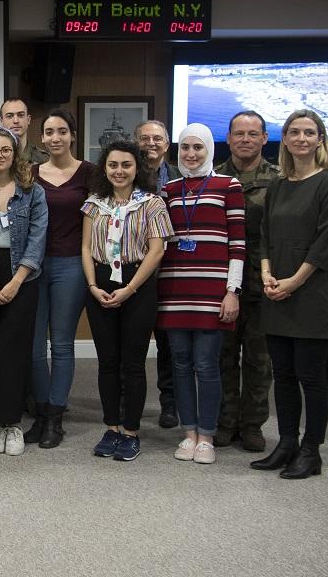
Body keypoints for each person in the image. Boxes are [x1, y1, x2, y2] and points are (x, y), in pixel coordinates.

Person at [253, 109, 328, 479]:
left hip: (310, 293)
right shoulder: (278, 184)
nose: (301, 138)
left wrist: (293, 281)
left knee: (311, 376)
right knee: (283, 375)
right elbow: (265, 235)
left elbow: (325, 242)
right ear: (286, 139)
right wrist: (266, 274)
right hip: (275, 289)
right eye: (295, 132)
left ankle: (311, 451)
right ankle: (287, 443)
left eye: (309, 132)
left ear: (320, 139)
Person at [157, 122, 244, 465]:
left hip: (212, 292)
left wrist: (232, 290)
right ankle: (188, 432)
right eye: (185, 148)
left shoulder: (228, 186)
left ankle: (206, 435)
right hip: (175, 290)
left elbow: (238, 244)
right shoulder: (169, 190)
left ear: (209, 150)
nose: (191, 154)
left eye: (198, 148)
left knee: (207, 365)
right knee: (180, 364)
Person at [82, 140, 173, 462]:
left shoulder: (152, 203)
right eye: (113, 165)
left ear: (137, 168)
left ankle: (131, 431)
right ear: (104, 168)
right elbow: (85, 248)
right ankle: (112, 427)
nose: (119, 171)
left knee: (132, 363)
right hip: (100, 284)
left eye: (126, 165)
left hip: (138, 286)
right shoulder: (94, 204)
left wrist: (131, 288)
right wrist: (92, 285)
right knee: (107, 361)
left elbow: (157, 251)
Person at [0, 127, 47, 456]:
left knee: (13, 352)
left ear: (15, 154)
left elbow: (38, 238)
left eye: (5, 150)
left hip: (22, 277)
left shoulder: (33, 191)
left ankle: (11, 423)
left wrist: (17, 280)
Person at [27, 108, 96, 448]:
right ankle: (41, 414)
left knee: (63, 344)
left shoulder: (89, 173)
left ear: (72, 135)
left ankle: (55, 417)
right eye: (49, 132)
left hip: (71, 265)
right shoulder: (30, 173)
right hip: (33, 266)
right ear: (41, 138)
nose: (55, 138)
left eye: (62, 131)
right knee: (34, 346)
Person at [214, 110, 279, 452]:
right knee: (223, 356)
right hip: (223, 279)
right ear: (228, 138)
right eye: (239, 133)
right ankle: (225, 421)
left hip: (263, 278)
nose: (245, 139)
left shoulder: (279, 179)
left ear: (264, 138)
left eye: (253, 134)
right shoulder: (214, 177)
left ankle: (252, 425)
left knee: (258, 359)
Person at [136, 118, 181, 428]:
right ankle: (129, 401)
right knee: (133, 342)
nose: (151, 143)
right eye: (145, 138)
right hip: (134, 270)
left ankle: (170, 403)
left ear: (166, 144)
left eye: (157, 138)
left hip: (172, 270)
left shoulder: (181, 177)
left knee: (169, 343)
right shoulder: (126, 175)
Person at [0, 98, 48, 165]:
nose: (16, 121)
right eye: (9, 116)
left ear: (28, 120)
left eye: (20, 115)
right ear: (1, 122)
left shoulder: (43, 159)